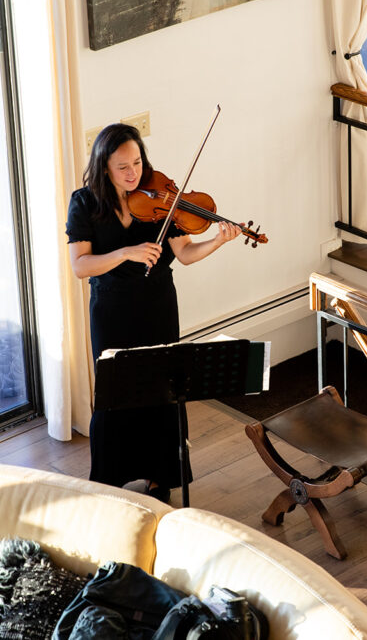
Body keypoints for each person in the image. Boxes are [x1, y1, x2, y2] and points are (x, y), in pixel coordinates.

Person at [66, 123, 240, 502]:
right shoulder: (85, 203)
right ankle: (111, 480)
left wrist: (217, 240)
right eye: (122, 167)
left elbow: (186, 254)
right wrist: (125, 253)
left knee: (162, 393)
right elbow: (80, 266)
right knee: (115, 394)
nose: (133, 173)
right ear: (103, 167)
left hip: (158, 306)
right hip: (111, 311)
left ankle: (161, 479)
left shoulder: (160, 198)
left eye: (137, 162)